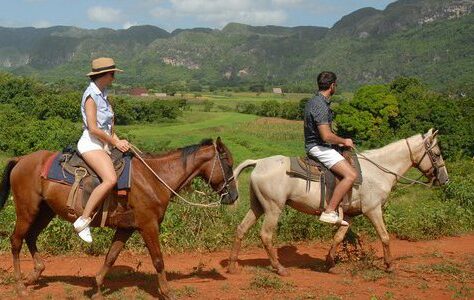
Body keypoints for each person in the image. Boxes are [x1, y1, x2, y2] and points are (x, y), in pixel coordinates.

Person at [73, 57, 130, 243]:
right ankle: (83, 220)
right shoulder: (91, 96)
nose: (114, 78)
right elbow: (94, 128)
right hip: (91, 144)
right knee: (110, 179)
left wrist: (118, 140)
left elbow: (107, 129)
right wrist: (114, 142)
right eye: (112, 74)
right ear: (104, 75)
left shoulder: (103, 94)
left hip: (103, 143)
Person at [303, 71, 357, 226]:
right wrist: (344, 141)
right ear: (332, 85)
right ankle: (330, 210)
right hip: (318, 147)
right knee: (351, 175)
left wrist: (337, 142)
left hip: (318, 144)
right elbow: (326, 136)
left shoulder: (313, 101)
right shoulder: (321, 105)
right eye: (336, 85)